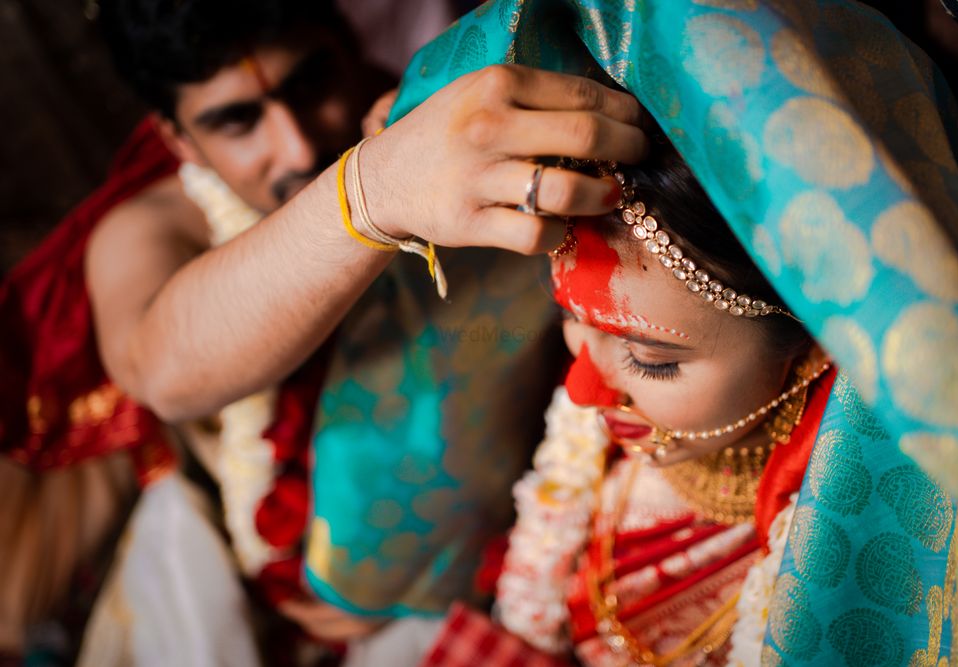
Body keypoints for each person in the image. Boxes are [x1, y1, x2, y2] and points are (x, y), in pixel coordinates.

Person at [0, 0, 648, 663]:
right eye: (238, 121)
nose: (299, 145)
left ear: (350, 49)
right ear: (177, 139)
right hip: (264, 596)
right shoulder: (154, 227)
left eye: (310, 83)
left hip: (523, 557)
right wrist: (371, 191)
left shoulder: (454, 113)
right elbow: (161, 374)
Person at [393, 0, 958, 665]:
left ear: (812, 348)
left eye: (650, 357)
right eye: (571, 318)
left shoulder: (854, 553)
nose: (584, 387)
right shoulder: (591, 449)